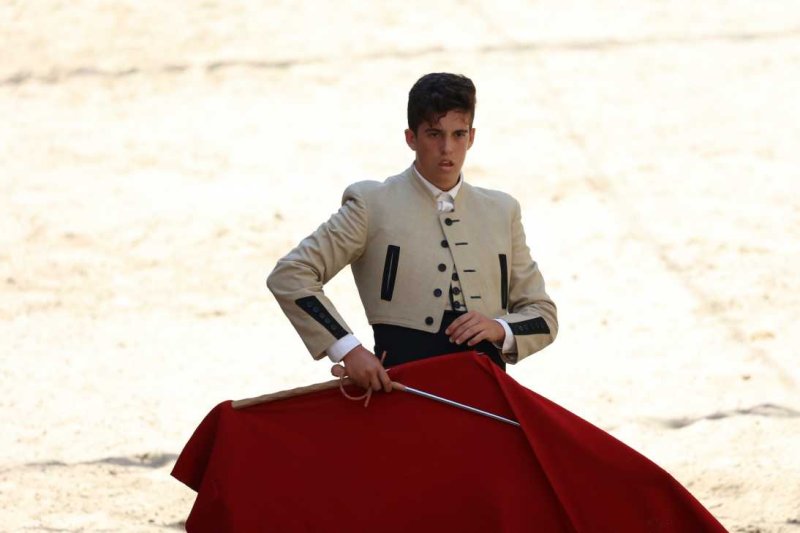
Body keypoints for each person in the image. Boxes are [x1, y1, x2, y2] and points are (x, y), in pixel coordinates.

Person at [267, 72, 557, 393]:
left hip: (486, 390)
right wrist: (347, 349)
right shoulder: (371, 203)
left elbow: (543, 316)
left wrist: (499, 327)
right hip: (402, 385)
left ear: (472, 137)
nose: (447, 148)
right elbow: (291, 274)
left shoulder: (502, 211)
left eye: (458, 134)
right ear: (411, 138)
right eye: (434, 134)